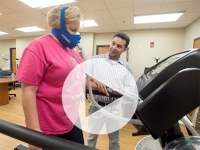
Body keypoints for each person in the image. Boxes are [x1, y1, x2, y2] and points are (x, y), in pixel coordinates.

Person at [15, 5, 104, 150]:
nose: (77, 35)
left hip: (71, 119)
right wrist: (34, 133)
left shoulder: (70, 50)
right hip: (49, 124)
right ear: (55, 26)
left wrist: (93, 81)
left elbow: (74, 78)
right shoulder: (38, 47)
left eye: (77, 30)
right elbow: (28, 90)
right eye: (73, 30)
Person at [87, 32, 135, 150]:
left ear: (125, 49)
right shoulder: (96, 60)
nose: (114, 47)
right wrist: (94, 81)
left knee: (114, 141)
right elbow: (83, 76)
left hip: (114, 108)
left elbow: (129, 88)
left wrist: (116, 89)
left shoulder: (126, 67)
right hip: (96, 106)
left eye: (119, 46)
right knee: (91, 137)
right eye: (113, 43)